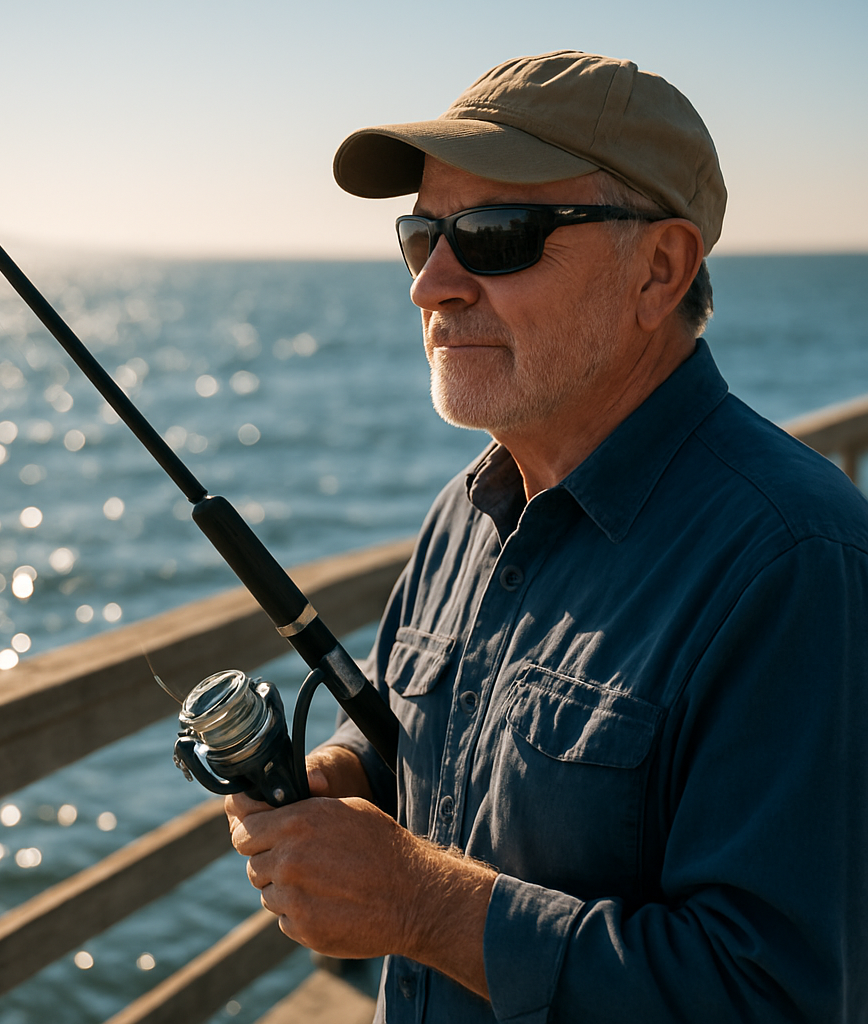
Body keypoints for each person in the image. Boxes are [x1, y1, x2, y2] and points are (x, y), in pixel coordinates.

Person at [225, 51, 868, 1022]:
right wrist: (348, 771)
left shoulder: (795, 561)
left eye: (493, 234)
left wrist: (414, 901)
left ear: (660, 268)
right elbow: (427, 721)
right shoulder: (466, 508)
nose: (430, 284)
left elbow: (766, 993)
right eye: (420, 234)